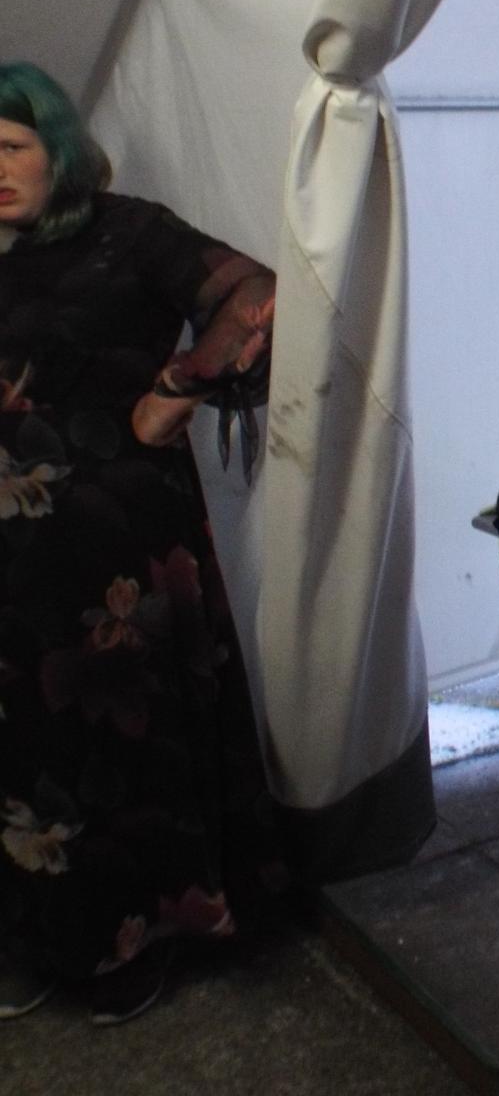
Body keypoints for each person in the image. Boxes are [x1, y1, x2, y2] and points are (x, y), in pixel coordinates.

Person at [0, 61, 280, 1026]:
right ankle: (40, 939)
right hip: (10, 556)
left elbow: (256, 292)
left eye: (11, 146)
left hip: (119, 541)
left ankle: (139, 941)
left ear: (57, 148)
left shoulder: (129, 232)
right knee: (24, 744)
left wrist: (180, 387)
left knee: (128, 743)